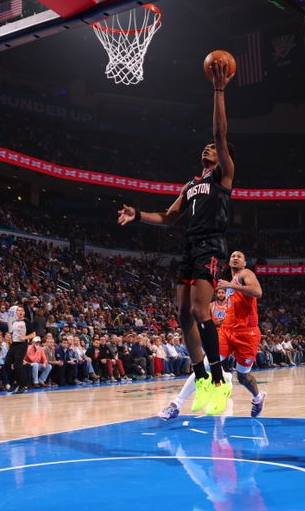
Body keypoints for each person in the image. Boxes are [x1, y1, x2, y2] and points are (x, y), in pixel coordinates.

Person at [118, 60, 235, 415]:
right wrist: (137, 215)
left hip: (212, 245)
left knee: (201, 309)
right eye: (205, 147)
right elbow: (168, 216)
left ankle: (219, 381)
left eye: (212, 148)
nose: (208, 148)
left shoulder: (223, 176)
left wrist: (218, 90)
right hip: (189, 246)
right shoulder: (191, 185)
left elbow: (219, 134)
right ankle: (201, 380)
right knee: (183, 315)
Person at [160, 251, 266, 420]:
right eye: (232, 256)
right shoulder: (227, 282)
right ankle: (176, 405)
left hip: (248, 334)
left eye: (239, 256)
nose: (235, 257)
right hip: (227, 331)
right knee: (205, 365)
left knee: (244, 377)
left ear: (245, 263)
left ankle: (257, 397)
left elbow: (257, 292)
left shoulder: (245, 274)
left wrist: (231, 286)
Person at [6, 306, 35, 394]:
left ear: (24, 313)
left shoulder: (26, 321)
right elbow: (12, 333)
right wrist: (10, 338)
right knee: (7, 364)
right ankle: (14, 382)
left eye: (22, 310)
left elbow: (33, 334)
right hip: (13, 345)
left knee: (18, 365)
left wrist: (25, 337)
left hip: (22, 345)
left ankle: (23, 385)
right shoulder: (14, 322)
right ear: (16, 312)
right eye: (18, 310)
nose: (20, 311)